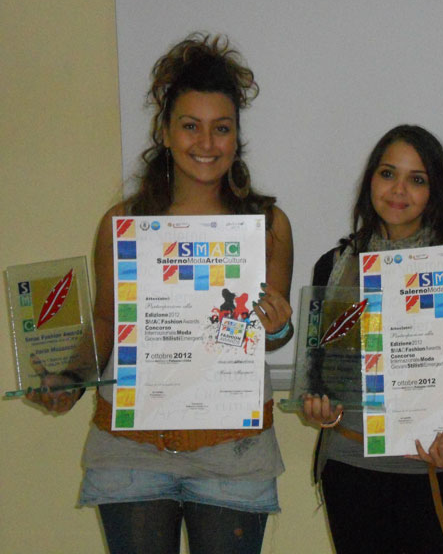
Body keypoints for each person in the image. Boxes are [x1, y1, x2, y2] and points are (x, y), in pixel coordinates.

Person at [27, 34, 293, 554]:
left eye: (221, 128)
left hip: (232, 450)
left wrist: (278, 325)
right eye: (190, 126)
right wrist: (70, 379)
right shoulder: (125, 223)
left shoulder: (266, 225)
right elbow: (106, 323)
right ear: (165, 132)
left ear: (237, 136)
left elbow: (270, 335)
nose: (206, 142)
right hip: (131, 451)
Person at [301, 125, 443, 554]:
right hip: (351, 465)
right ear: (370, 181)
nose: (399, 190)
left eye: (417, 179)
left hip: (430, 469)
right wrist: (318, 404)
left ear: (435, 191)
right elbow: (316, 372)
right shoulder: (333, 267)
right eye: (388, 173)